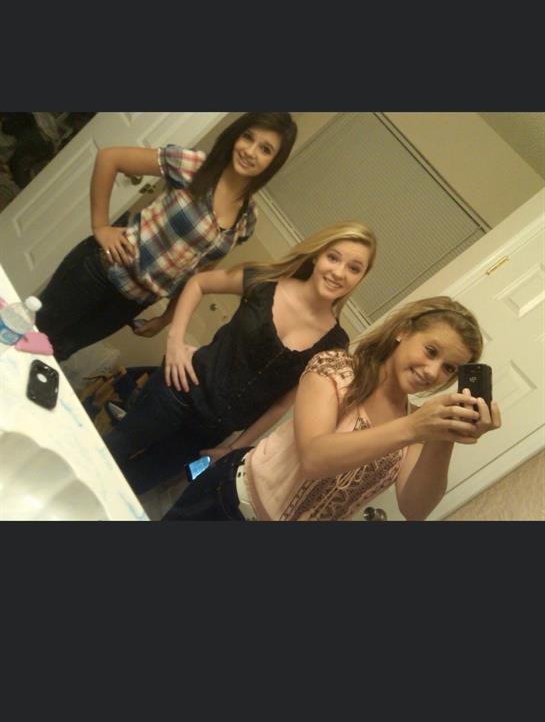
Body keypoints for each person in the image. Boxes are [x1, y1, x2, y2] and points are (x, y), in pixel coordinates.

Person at [162, 296, 502, 522]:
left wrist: (446, 436)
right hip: (227, 504)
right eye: (431, 351)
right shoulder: (336, 370)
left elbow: (415, 508)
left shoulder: (418, 425)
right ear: (403, 332)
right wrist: (414, 429)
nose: (432, 371)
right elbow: (314, 458)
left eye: (448, 368)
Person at [104, 222, 377, 495]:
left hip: (209, 433)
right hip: (176, 393)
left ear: (361, 278)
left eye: (354, 268)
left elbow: (282, 404)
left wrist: (234, 448)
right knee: (106, 455)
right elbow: (198, 283)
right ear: (317, 255)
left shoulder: (335, 344)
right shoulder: (264, 281)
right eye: (333, 257)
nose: (339, 272)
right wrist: (174, 341)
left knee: (132, 487)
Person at [35, 113, 297, 361]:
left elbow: (201, 271)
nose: (250, 151)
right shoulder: (193, 165)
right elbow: (109, 158)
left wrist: (167, 317)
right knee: (31, 335)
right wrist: (101, 227)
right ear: (236, 135)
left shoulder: (247, 218)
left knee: (56, 353)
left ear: (273, 162)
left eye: (265, 149)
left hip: (129, 304)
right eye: (248, 137)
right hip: (99, 271)